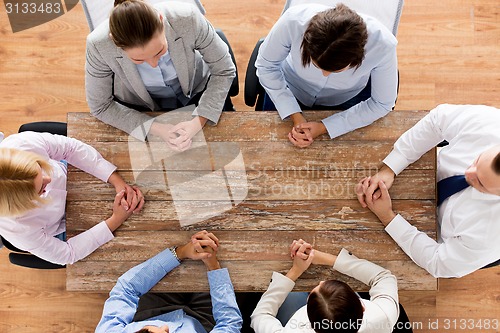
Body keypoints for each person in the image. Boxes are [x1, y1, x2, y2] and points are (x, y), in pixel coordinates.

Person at [356, 104, 500, 278]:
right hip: (424, 172)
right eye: (477, 161)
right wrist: (391, 167)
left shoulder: (489, 236)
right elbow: (437, 121)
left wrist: (388, 217)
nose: (468, 173)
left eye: (481, 183)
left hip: (442, 237)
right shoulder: (490, 123)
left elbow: (439, 263)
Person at [85, 0, 236, 150]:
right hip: (139, 106)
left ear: (161, 21)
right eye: (139, 59)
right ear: (114, 42)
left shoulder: (187, 18)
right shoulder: (98, 45)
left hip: (197, 91)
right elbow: (100, 106)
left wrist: (199, 121)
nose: (153, 64)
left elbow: (224, 70)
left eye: (159, 51)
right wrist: (156, 129)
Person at [256, 3, 398, 148]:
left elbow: (382, 103)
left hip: (347, 96)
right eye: (316, 65)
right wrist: (293, 113)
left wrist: (325, 127)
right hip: (289, 86)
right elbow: (266, 66)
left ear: (358, 57)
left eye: (337, 71)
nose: (324, 75)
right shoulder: (292, 22)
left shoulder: (383, 45)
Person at [0, 131, 144, 265]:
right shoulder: (17, 229)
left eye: (40, 168)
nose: (48, 179)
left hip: (70, 172)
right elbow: (68, 254)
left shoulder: (21, 144)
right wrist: (116, 219)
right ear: (22, 205)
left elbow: (70, 148)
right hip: (59, 226)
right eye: (41, 189)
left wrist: (117, 181)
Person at [95, 230, 242, 333]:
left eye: (151, 331)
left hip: (152, 310)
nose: (166, 328)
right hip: (203, 321)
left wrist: (181, 252)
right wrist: (213, 266)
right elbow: (229, 324)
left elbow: (126, 289)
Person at [251, 239, 399, 333]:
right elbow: (383, 277)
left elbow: (259, 317)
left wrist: (296, 270)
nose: (320, 282)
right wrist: (323, 257)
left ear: (311, 324)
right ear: (362, 307)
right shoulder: (382, 318)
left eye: (313, 293)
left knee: (291, 295)